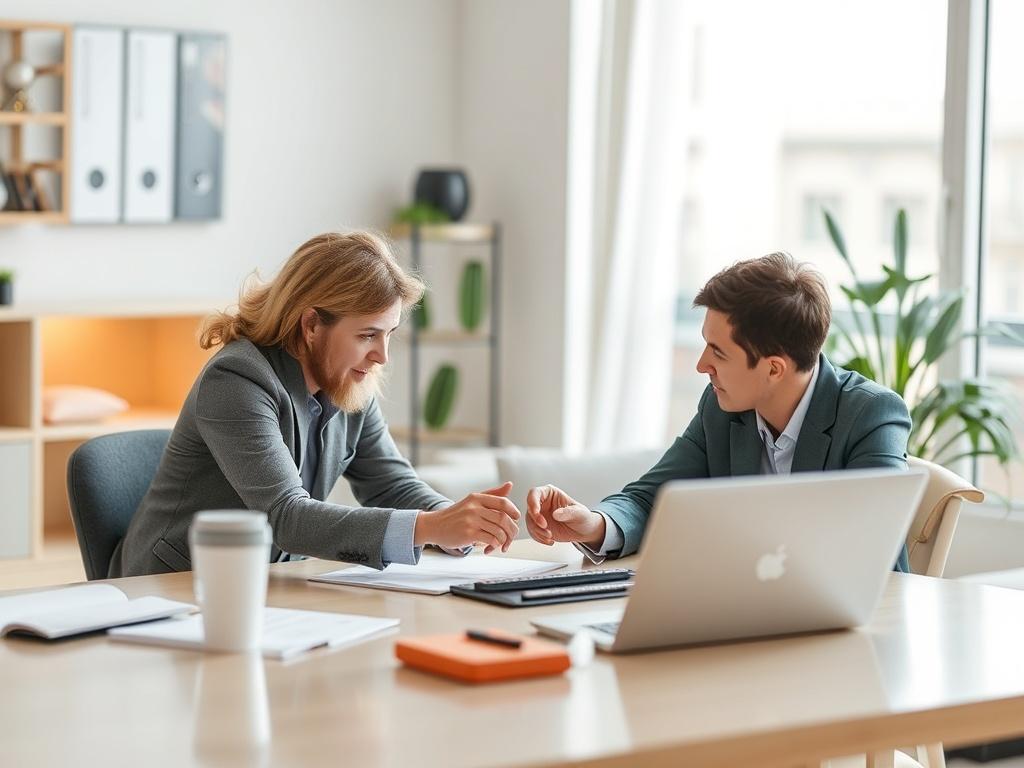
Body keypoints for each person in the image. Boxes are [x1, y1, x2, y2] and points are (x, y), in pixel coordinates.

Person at [110, 231, 519, 577]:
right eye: (367, 335)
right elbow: (286, 516)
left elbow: (391, 484)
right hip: (177, 587)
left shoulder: (350, 381)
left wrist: (458, 523)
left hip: (273, 583)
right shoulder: (236, 379)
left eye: (390, 333)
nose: (382, 355)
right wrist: (430, 526)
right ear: (311, 325)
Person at [525, 251, 913, 571]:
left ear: (773, 368)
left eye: (718, 352)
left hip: (857, 632)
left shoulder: (871, 415)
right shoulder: (722, 408)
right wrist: (593, 525)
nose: (700, 365)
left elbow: (872, 546)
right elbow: (651, 498)